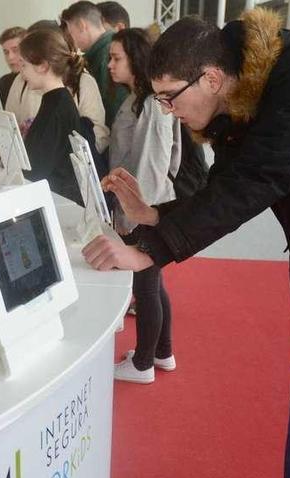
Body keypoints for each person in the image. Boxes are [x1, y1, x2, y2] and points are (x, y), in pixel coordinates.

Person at [82, 10, 290, 478]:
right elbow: (227, 183)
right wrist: (156, 216)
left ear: (211, 77)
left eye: (171, 98)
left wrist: (151, 247)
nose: (169, 112)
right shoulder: (244, 90)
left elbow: (260, 179)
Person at [106, 28, 180, 384]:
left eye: (116, 57)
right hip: (147, 205)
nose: (110, 64)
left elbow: (152, 165)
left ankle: (143, 365)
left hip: (145, 208)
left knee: (145, 286)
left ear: (135, 59)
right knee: (154, 283)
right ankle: (161, 352)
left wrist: (131, 214)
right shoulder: (140, 99)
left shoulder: (152, 103)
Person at [17, 28, 90, 205]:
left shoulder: (57, 106)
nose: (22, 72)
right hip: (56, 196)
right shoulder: (55, 100)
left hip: (60, 202)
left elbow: (35, 170)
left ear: (42, 66)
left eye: (24, 65)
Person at [61, 1, 128, 126]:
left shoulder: (107, 53)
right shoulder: (102, 51)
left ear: (82, 25)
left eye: (71, 33)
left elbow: (112, 105)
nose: (71, 40)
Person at [0, 26, 26, 107]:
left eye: (15, 50)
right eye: (6, 52)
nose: (10, 57)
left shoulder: (38, 83)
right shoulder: (3, 83)